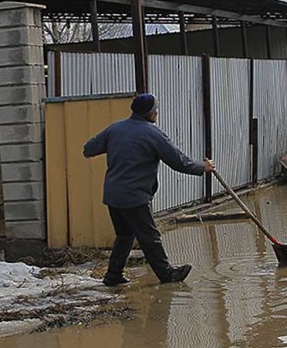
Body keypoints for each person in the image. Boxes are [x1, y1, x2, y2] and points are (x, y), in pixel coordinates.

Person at [83, 93, 214, 286]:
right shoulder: (153, 134)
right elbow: (179, 162)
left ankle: (113, 275)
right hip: (134, 196)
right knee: (149, 237)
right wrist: (203, 167)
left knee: (125, 235)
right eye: (155, 110)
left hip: (113, 195)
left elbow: (88, 149)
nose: (157, 112)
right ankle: (167, 274)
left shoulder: (115, 129)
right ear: (150, 113)